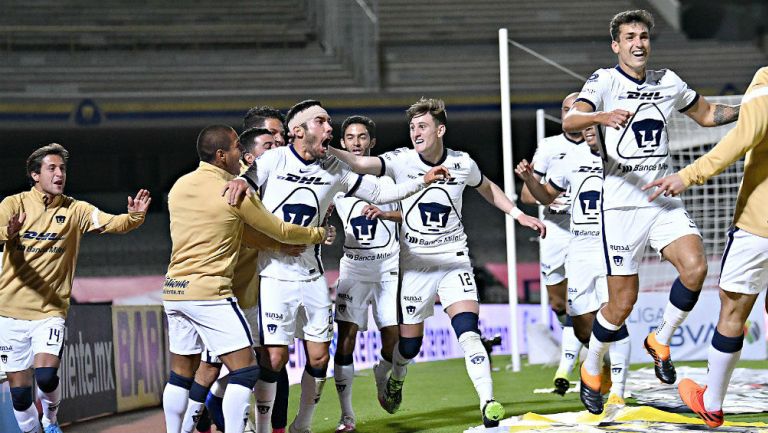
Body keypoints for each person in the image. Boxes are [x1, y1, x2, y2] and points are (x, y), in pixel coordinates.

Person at [222, 100, 449, 433]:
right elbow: (249, 181)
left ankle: (303, 425)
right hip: (274, 277)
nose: (330, 127)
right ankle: (266, 427)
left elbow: (380, 193)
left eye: (329, 121)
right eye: (321, 121)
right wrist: (242, 181)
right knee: (274, 359)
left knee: (319, 359)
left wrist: (423, 180)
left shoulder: (334, 168)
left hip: (312, 277)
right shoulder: (274, 159)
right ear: (298, 131)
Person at [326, 97, 546, 428]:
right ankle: (394, 376)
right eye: (412, 126)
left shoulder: (462, 163)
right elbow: (359, 165)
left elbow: (486, 187)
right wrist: (326, 148)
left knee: (469, 332)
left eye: (422, 126)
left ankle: (488, 401)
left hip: (454, 260)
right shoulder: (400, 160)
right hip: (415, 265)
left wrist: (518, 214)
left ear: (439, 129)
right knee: (409, 346)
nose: (415, 131)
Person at [562, 9, 740, 414]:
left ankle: (661, 338)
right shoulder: (604, 81)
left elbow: (709, 114)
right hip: (620, 204)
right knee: (621, 304)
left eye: (643, 36)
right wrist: (599, 115)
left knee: (695, 268)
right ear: (616, 45)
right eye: (629, 37)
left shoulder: (668, 82)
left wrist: (751, 109)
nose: (638, 43)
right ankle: (591, 369)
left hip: (660, 197)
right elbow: (572, 118)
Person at [162, 125, 329, 433]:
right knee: (245, 372)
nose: (240, 155)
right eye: (236, 147)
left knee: (181, 374)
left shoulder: (179, 186)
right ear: (221, 155)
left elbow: (234, 230)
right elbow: (277, 228)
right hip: (210, 292)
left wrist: (276, 245)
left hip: (174, 290)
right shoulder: (233, 190)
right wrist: (317, 233)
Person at [642, 66, 768, 428]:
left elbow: (743, 137)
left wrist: (688, 174)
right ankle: (662, 338)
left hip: (759, 226)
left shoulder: (765, 80)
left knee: (732, 313)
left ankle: (711, 402)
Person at [0, 143, 150, 433]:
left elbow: (108, 222)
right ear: (35, 175)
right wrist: (8, 232)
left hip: (49, 312)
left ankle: (51, 417)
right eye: (52, 168)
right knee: (19, 394)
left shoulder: (75, 209)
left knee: (45, 377)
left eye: (63, 169)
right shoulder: (13, 205)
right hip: (8, 314)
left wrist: (133, 218)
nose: (59, 174)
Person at [516, 126, 632, 407]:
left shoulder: (623, 155)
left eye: (595, 124)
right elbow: (544, 197)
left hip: (610, 246)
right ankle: (596, 364)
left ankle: (618, 389)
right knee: (582, 327)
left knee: (615, 316)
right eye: (586, 124)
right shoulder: (570, 158)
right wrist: (530, 179)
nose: (589, 129)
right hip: (579, 249)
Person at [328, 115, 401, 432]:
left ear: (372, 143)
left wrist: (387, 212)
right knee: (345, 340)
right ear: (342, 143)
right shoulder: (335, 179)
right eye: (350, 137)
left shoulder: (390, 177)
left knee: (395, 344)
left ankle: (382, 372)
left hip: (390, 267)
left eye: (362, 137)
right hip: (354, 268)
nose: (356, 142)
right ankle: (347, 415)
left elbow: (410, 213)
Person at [520, 92, 586, 395]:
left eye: (575, 108)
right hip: (554, 231)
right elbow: (526, 196)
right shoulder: (548, 147)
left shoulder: (596, 144)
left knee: (585, 295)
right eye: (564, 108)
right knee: (559, 302)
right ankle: (577, 337)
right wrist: (550, 198)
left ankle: (582, 352)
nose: (568, 112)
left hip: (588, 230)